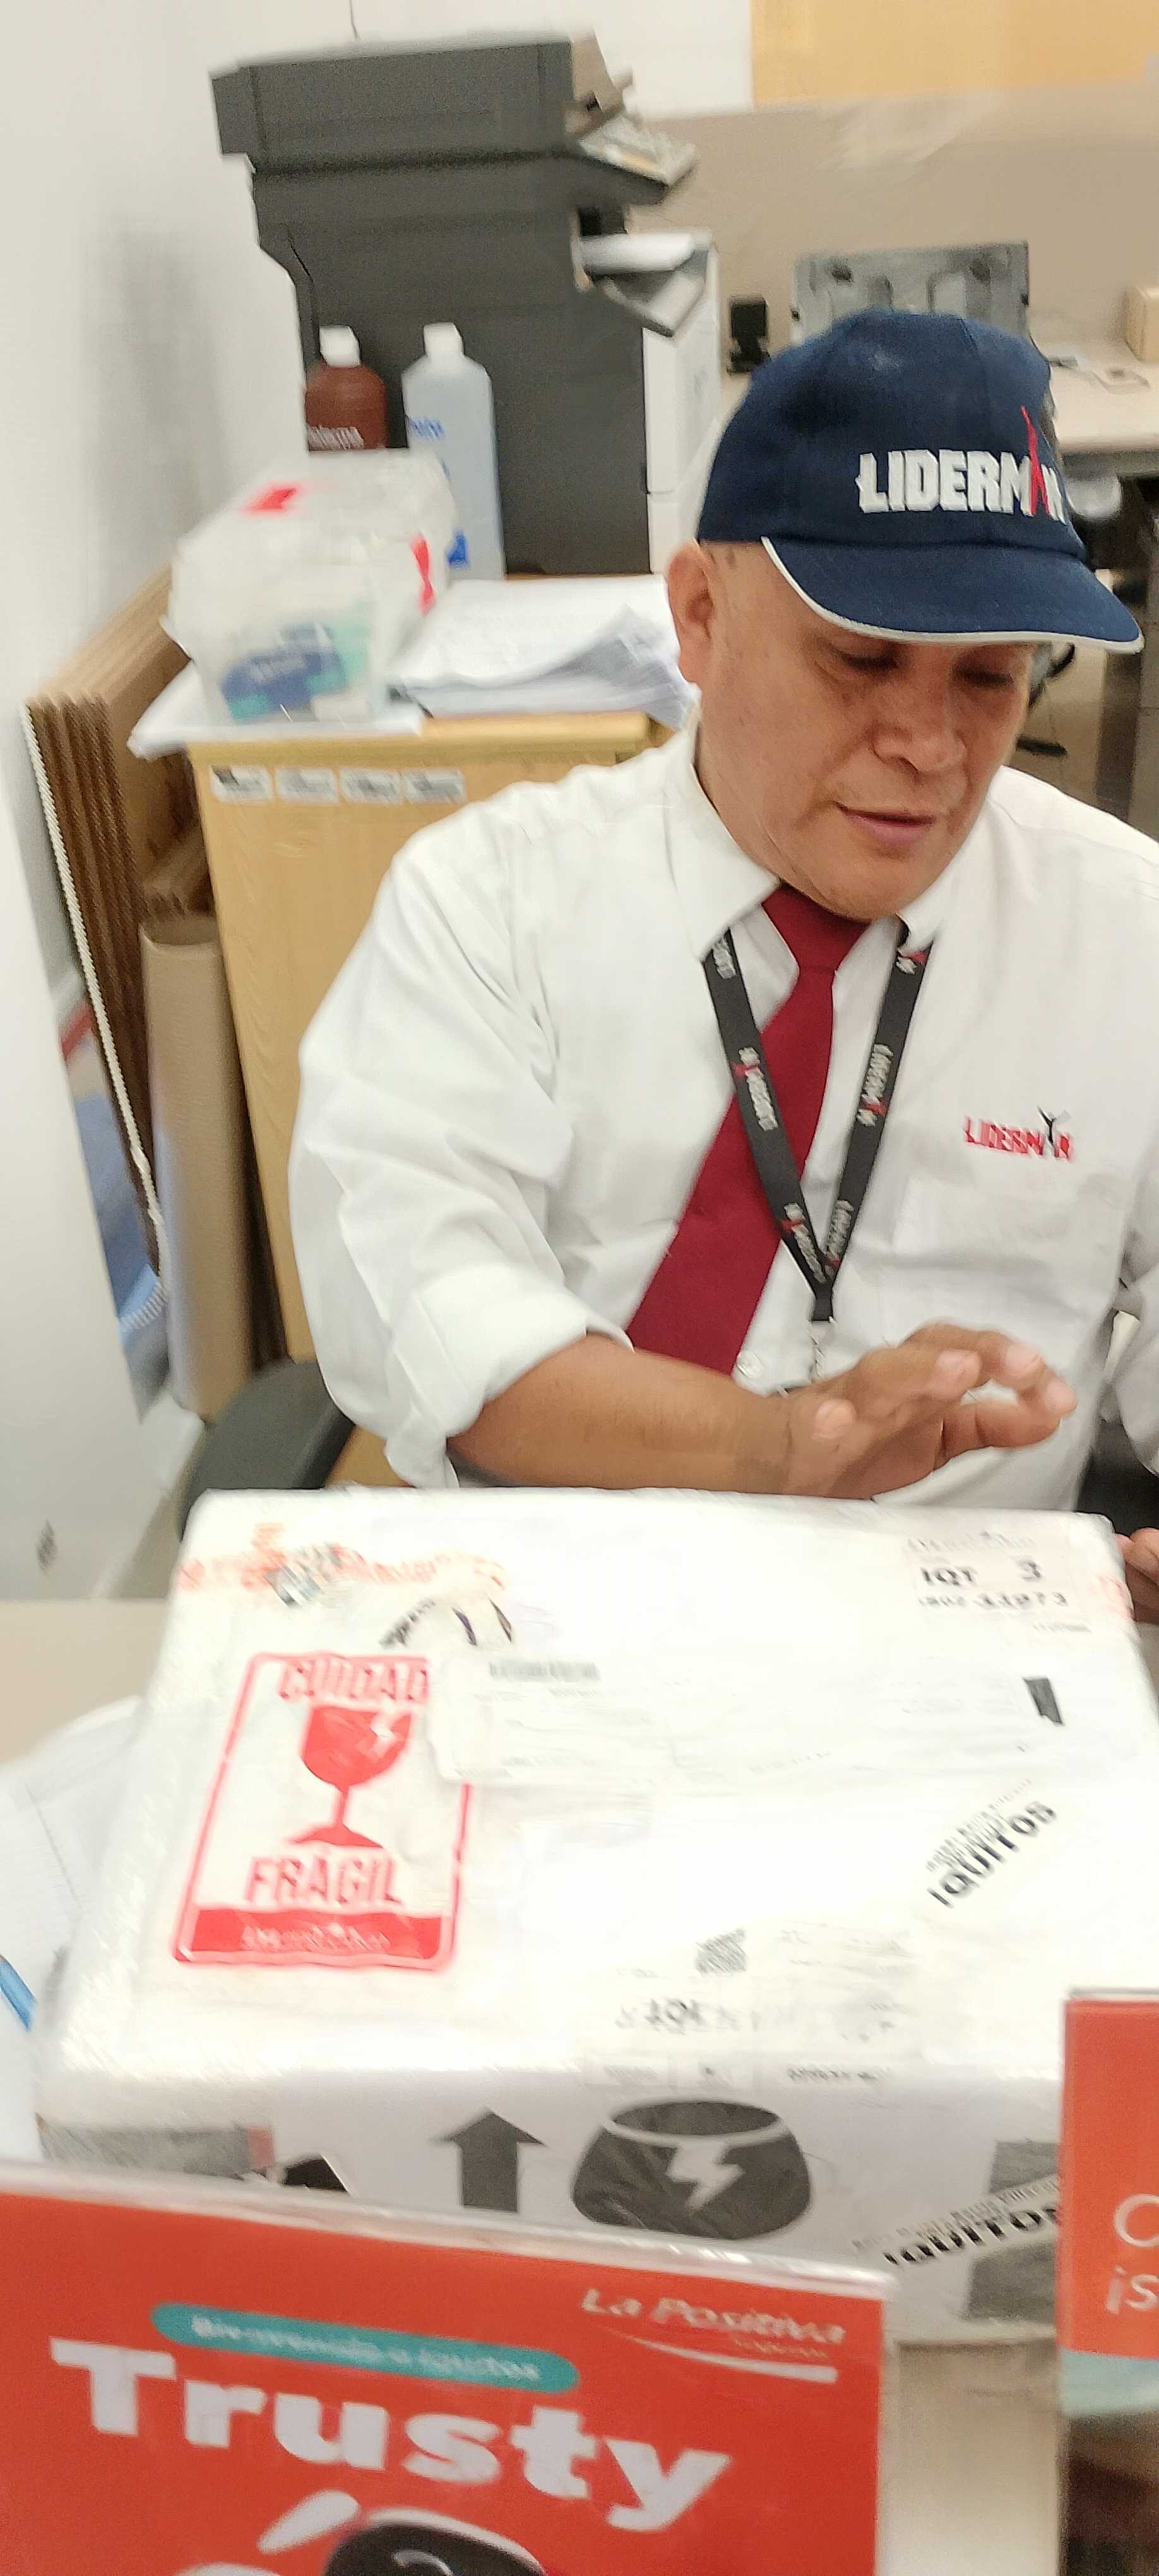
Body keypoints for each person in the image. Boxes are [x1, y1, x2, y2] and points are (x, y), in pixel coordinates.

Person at [291, 310, 1159, 1616]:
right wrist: (777, 1447)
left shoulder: (1124, 932)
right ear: (699, 615)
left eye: (990, 678)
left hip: (964, 1621)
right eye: (860, 658)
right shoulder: (490, 904)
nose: (929, 746)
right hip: (562, 1592)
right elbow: (423, 1306)